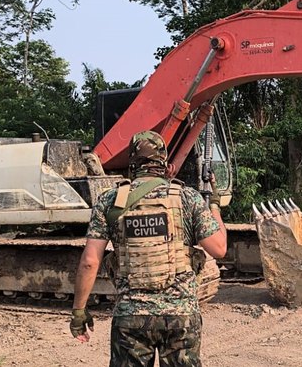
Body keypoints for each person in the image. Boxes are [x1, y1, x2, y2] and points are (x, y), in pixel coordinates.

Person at [70, 130, 227, 367]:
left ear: (132, 163)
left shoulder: (110, 201)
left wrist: (79, 312)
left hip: (130, 317)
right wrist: (214, 205)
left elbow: (90, 262)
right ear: (164, 163)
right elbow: (219, 249)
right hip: (180, 316)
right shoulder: (187, 198)